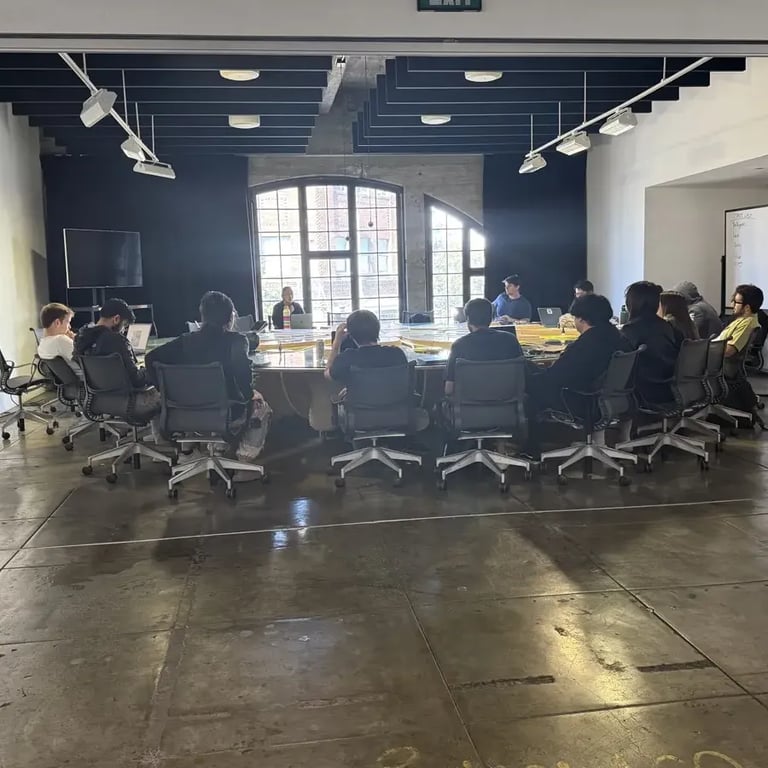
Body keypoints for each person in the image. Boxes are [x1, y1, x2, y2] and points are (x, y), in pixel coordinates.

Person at [146, 291, 269, 460]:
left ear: (202, 315)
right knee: (261, 405)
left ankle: (187, 452)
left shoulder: (186, 341)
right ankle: (245, 461)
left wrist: (165, 392)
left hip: (184, 411)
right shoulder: (237, 341)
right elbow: (243, 375)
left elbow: (150, 358)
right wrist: (250, 394)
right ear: (231, 317)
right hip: (226, 413)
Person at [325, 309, 429, 431]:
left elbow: (328, 375)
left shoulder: (348, 357)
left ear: (350, 335)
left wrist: (337, 343)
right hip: (398, 414)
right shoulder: (396, 354)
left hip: (360, 416)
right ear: (377, 330)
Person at [529, 294, 631, 413]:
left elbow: (556, 375)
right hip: (608, 397)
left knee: (524, 377)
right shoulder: (618, 336)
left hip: (579, 399)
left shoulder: (587, 343)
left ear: (582, 319)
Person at [73, 298, 160, 417]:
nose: (123, 331)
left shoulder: (81, 339)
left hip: (94, 400)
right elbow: (137, 380)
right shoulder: (117, 340)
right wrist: (150, 371)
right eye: (124, 326)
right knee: (166, 392)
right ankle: (164, 435)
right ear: (116, 319)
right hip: (129, 402)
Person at [444, 298, 523, 396]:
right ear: (490, 318)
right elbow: (524, 378)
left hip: (468, 407)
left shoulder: (459, 345)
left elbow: (449, 389)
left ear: (468, 319)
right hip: (508, 406)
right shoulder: (510, 340)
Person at [620, 281, 683, 404]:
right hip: (668, 387)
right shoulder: (667, 326)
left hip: (642, 391)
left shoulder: (630, 330)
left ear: (632, 303)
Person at [716, 284, 764, 358]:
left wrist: (706, 348)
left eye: (736, 302)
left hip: (716, 365)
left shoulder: (747, 323)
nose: (732, 305)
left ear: (747, 307)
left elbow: (728, 351)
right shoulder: (741, 319)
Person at [37, 302, 79, 371]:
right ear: (57, 323)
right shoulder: (60, 340)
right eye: (68, 322)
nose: (70, 327)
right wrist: (76, 341)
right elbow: (86, 359)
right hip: (87, 377)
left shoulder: (42, 343)